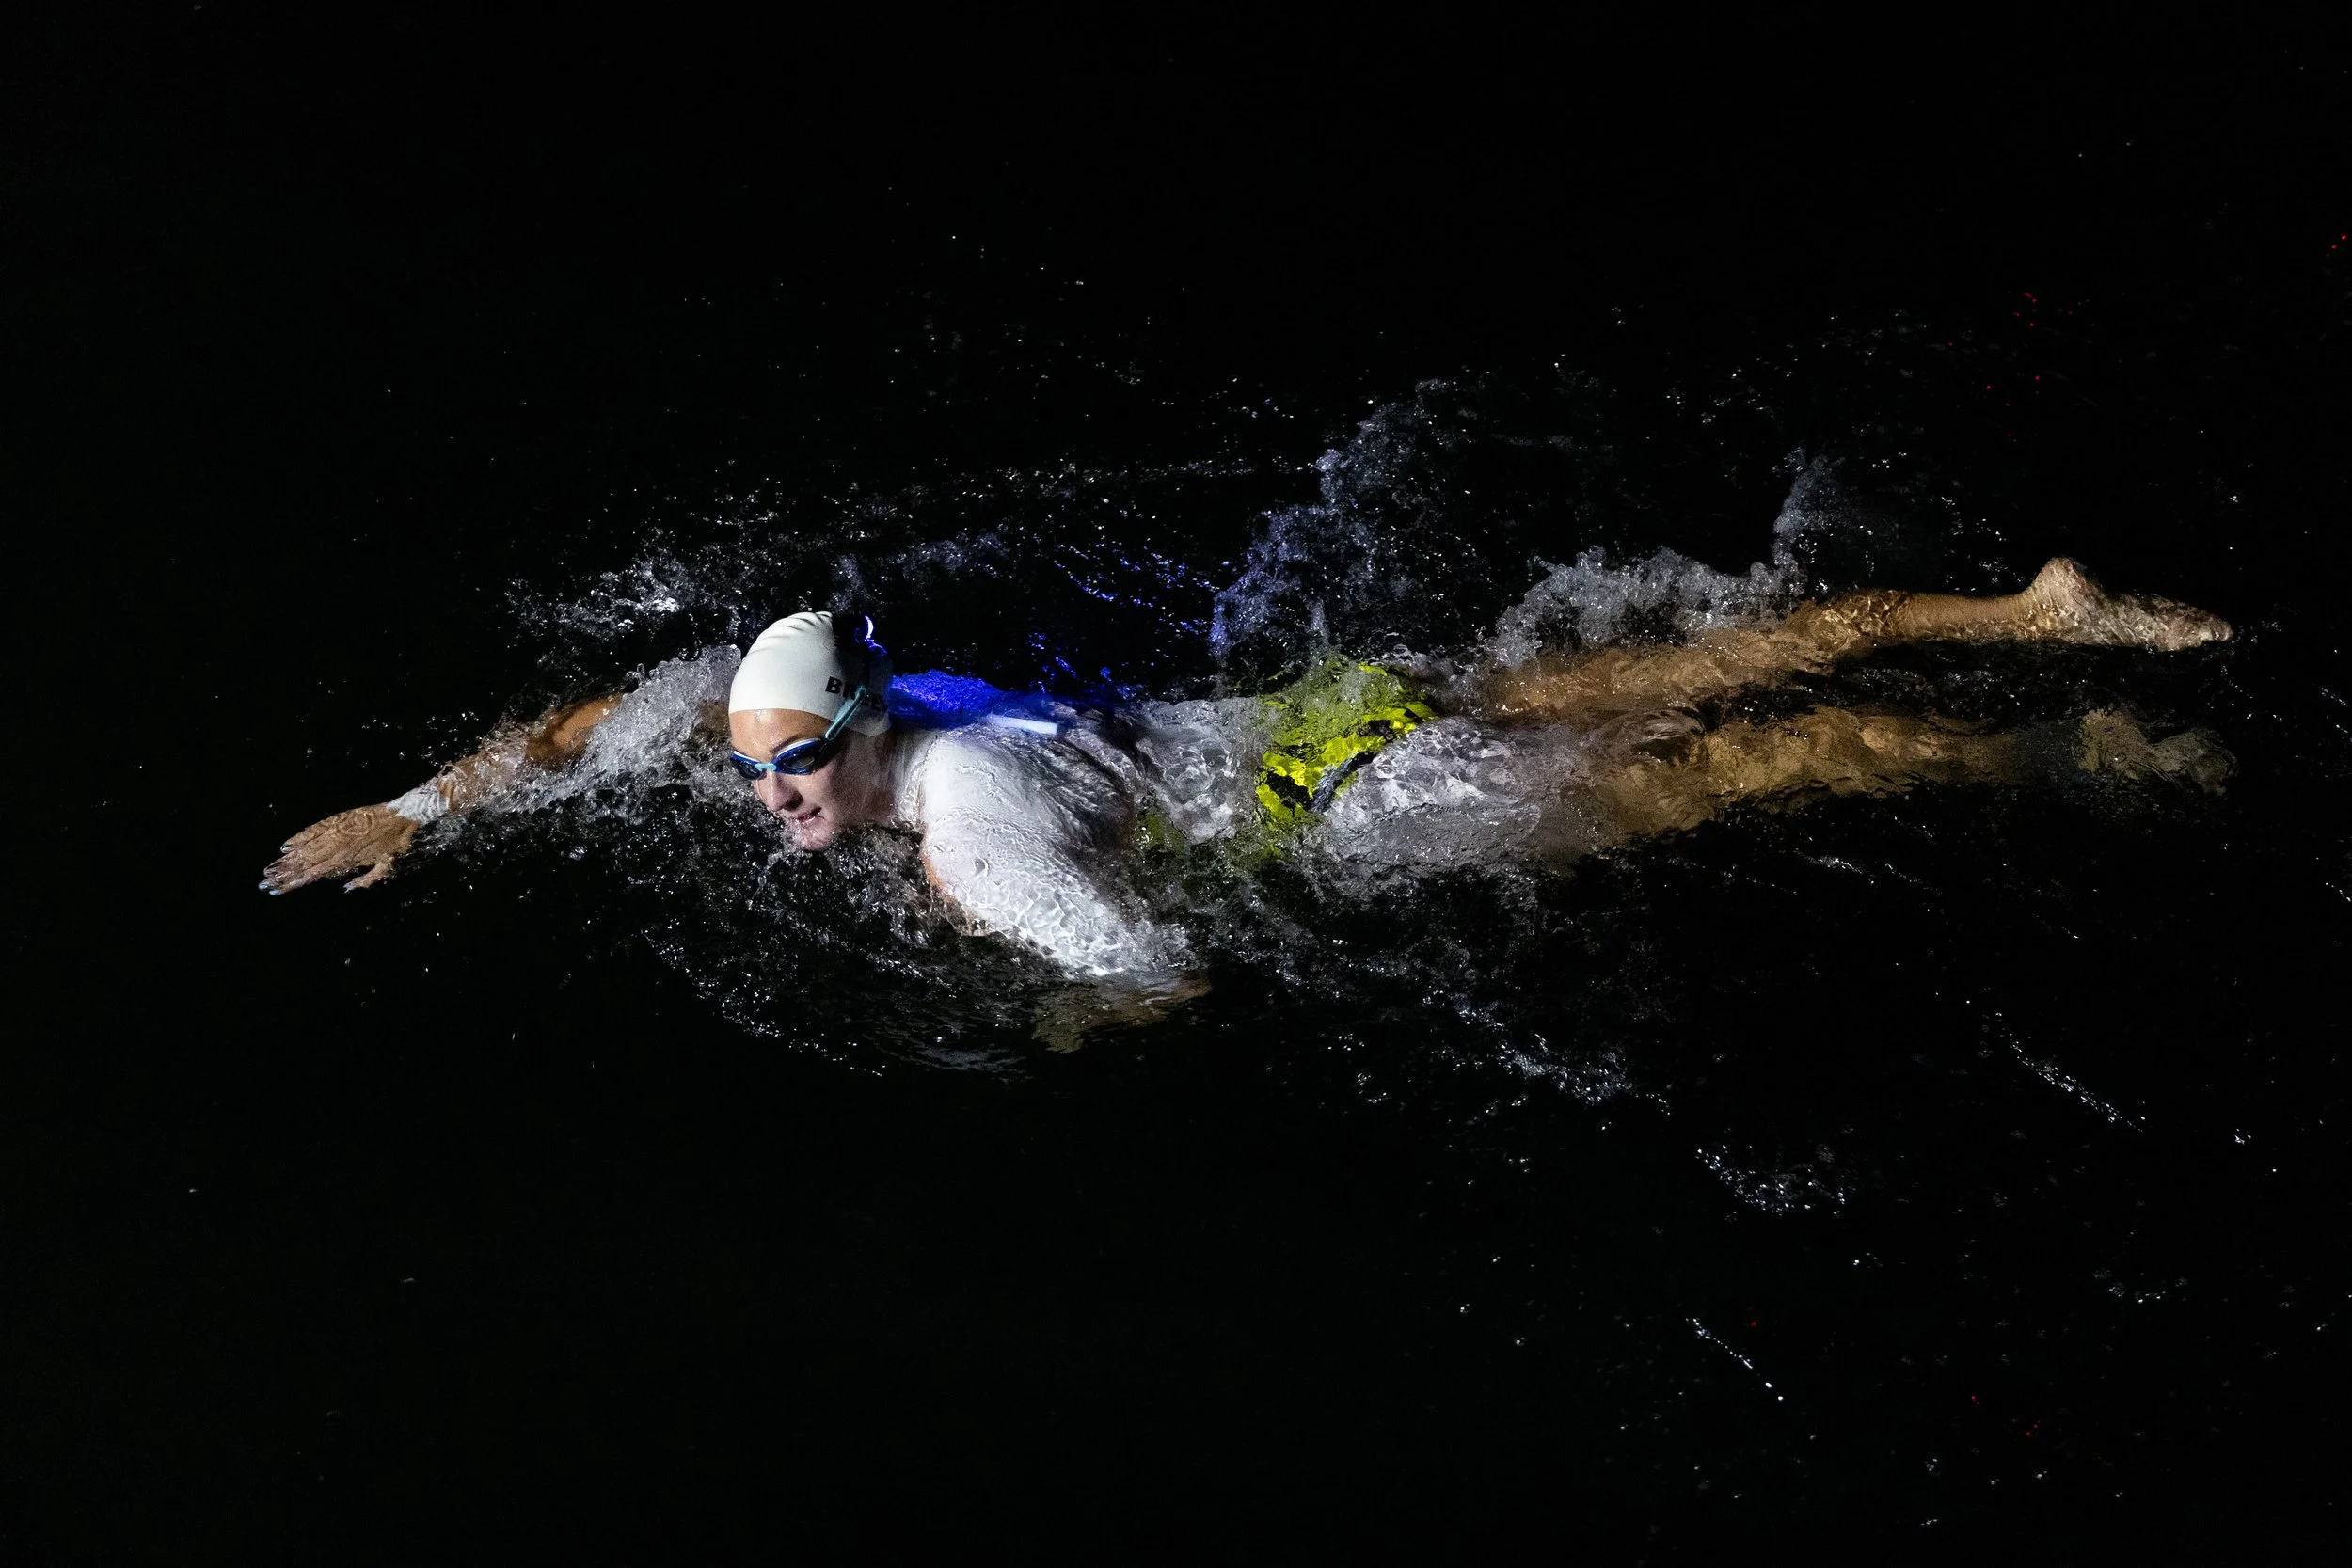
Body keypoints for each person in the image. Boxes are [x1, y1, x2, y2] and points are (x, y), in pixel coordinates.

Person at [262, 560, 2232, 1017]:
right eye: (749, 766)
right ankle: (2019, 601)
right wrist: (417, 814)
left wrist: (1045, 1005)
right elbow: (574, 728)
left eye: (791, 770)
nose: (763, 795)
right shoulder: (824, 721)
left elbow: (1167, 971)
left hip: (1378, 804)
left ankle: (2045, 737)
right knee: (1691, 660)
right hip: (1307, 706)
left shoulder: (964, 826)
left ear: (864, 743)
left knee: (1738, 766)